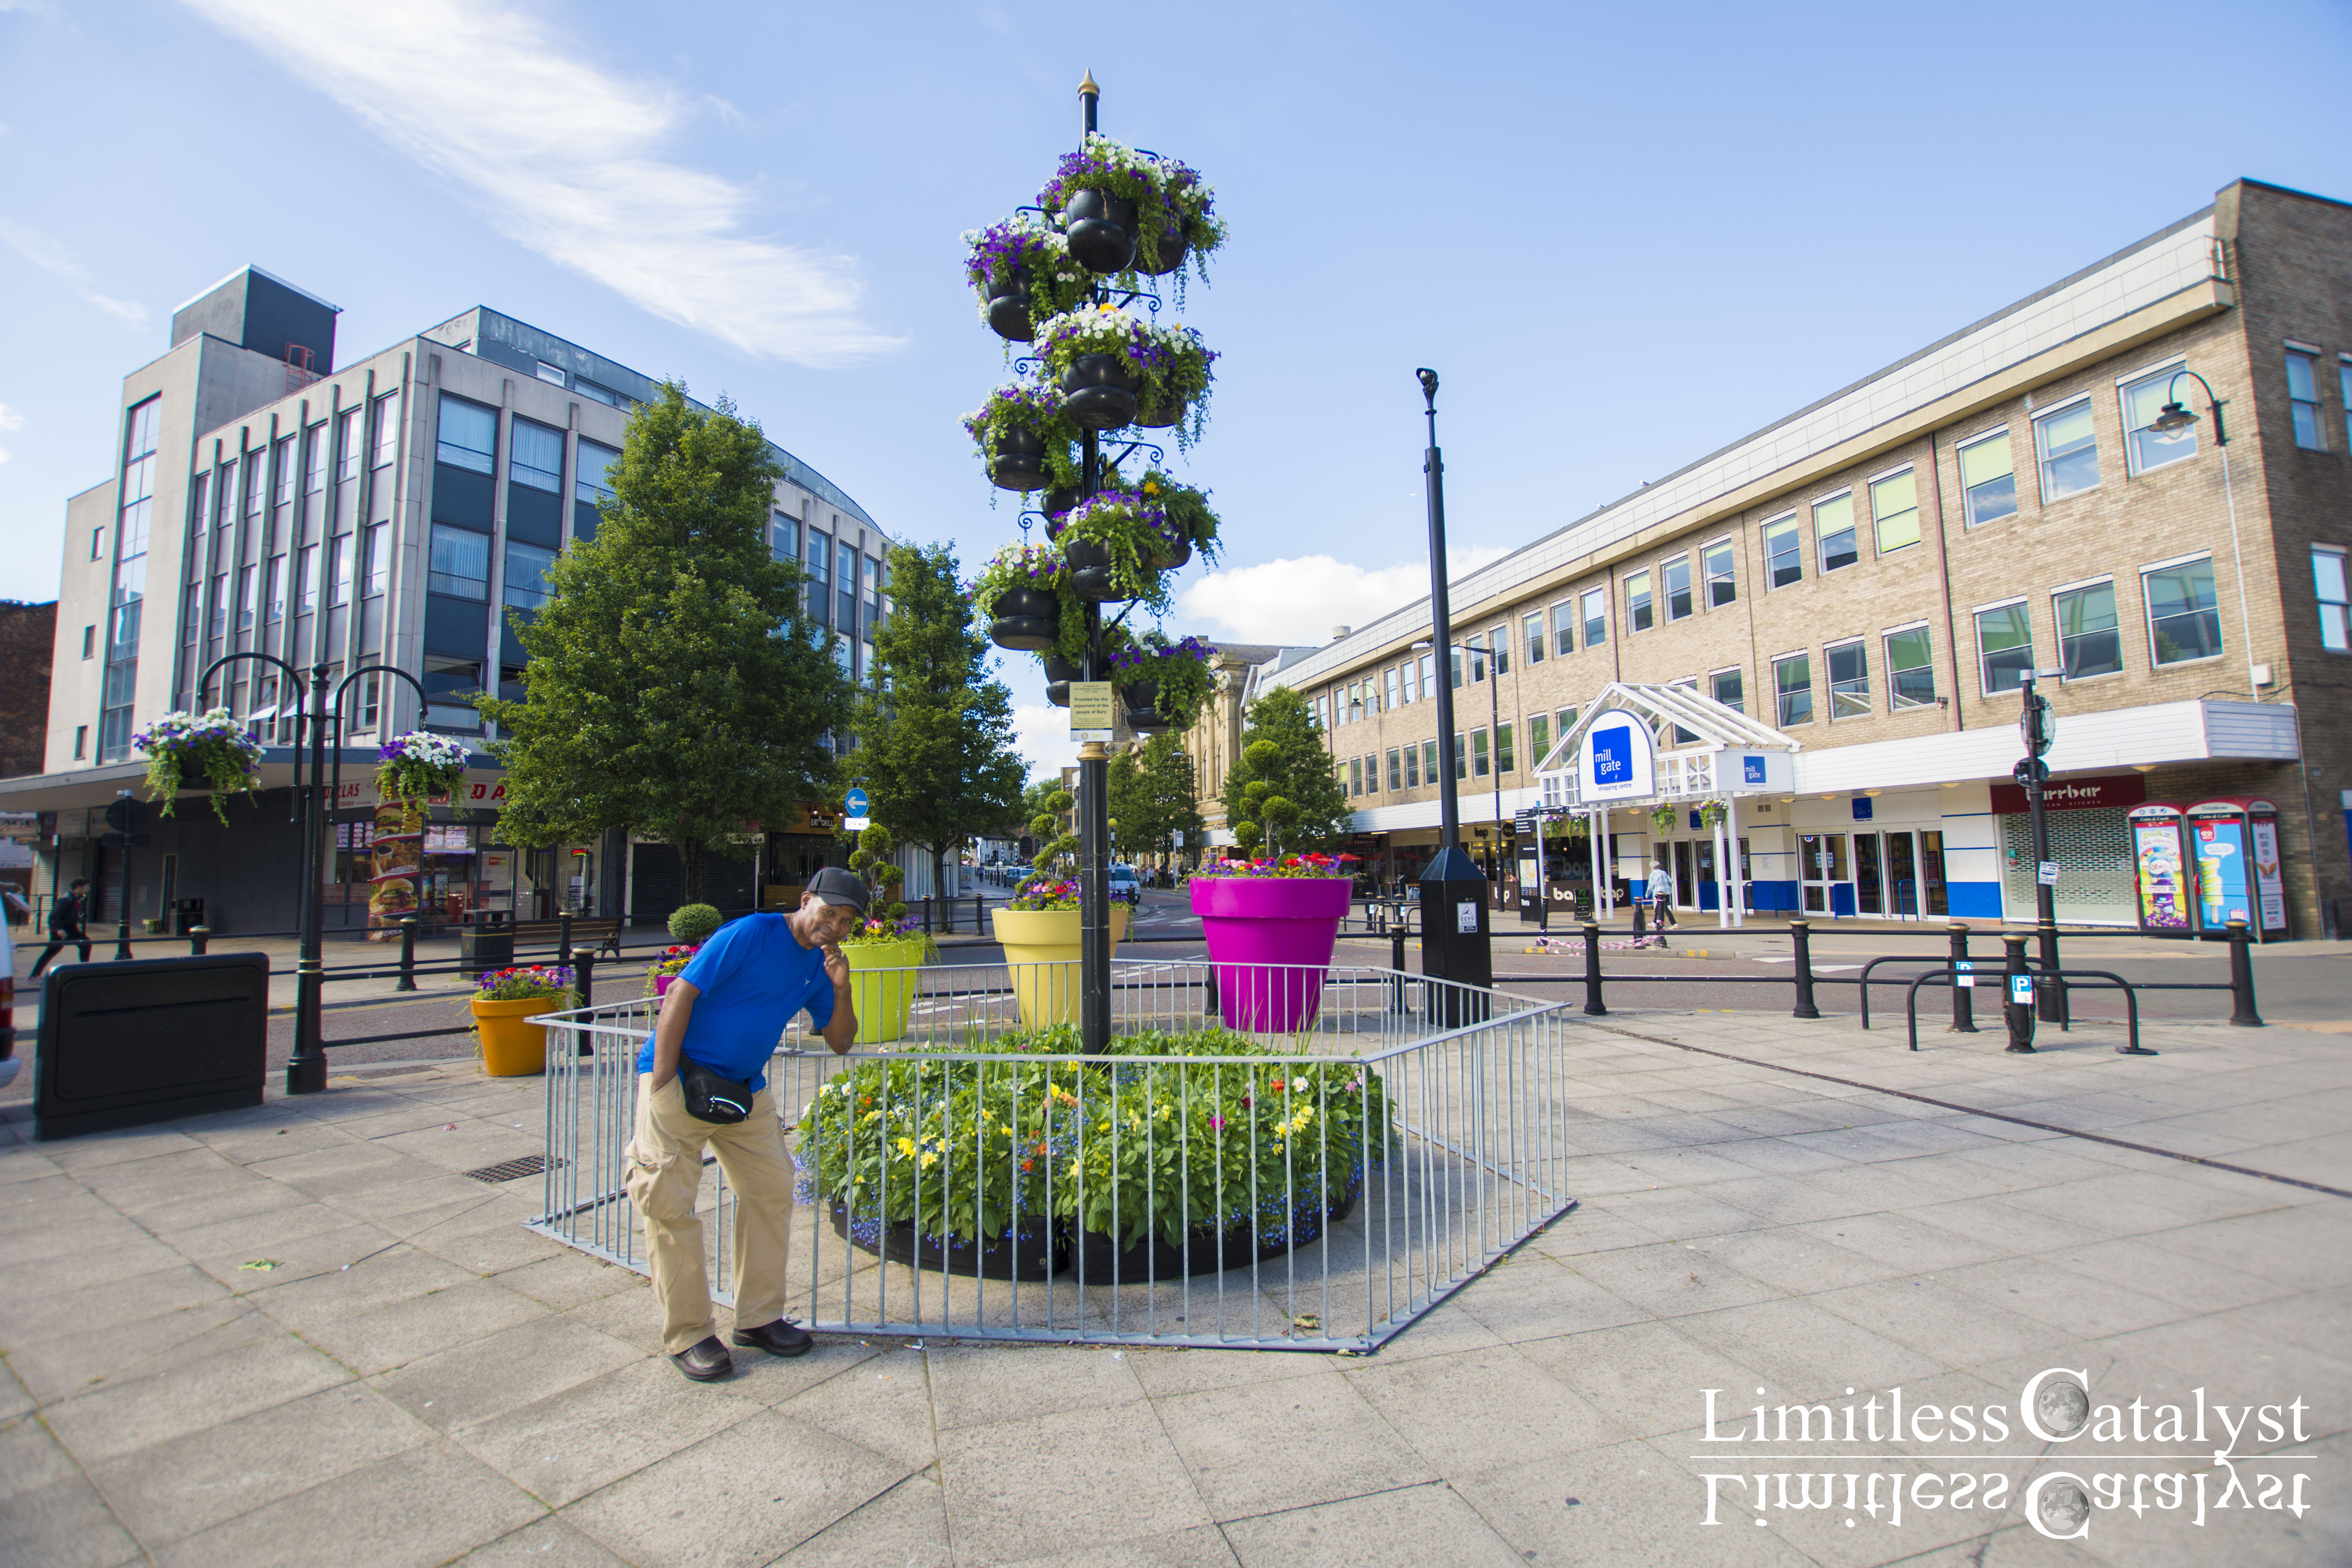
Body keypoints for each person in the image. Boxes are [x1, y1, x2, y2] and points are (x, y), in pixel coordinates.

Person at [628, 866, 864, 1383]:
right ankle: (690, 1334)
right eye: (829, 913)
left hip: (742, 1092)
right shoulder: (753, 932)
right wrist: (662, 1081)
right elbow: (681, 993)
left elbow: (841, 1041)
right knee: (669, 1205)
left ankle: (758, 1318)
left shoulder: (818, 965)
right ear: (806, 900)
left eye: (847, 921)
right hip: (682, 1078)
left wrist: (841, 988)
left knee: (772, 1188)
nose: (835, 927)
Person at [29, 878, 92, 977]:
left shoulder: (76, 898)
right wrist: (58, 929)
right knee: (52, 951)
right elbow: (55, 915)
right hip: (62, 929)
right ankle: (34, 974)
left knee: (86, 943)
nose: (89, 889)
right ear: (79, 887)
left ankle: (85, 970)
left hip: (71, 929)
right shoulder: (66, 898)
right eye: (87, 887)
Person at [1645, 860, 1677, 935]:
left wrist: (1647, 894)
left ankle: (1674, 924)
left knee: (1664, 908)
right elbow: (1671, 881)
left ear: (1653, 867)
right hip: (1667, 892)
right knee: (1658, 908)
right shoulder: (1664, 872)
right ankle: (1655, 923)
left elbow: (1651, 886)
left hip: (1659, 893)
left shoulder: (1653, 874)